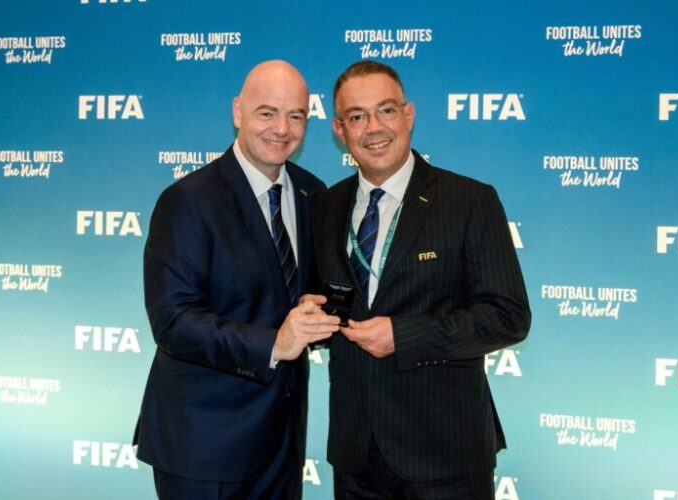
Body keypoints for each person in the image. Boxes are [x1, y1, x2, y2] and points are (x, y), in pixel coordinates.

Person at [312, 60, 531, 499]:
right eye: (357, 116)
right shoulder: (326, 206)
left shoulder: (469, 200)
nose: (374, 128)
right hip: (356, 455)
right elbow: (332, 303)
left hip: (444, 454)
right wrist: (311, 316)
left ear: (408, 115)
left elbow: (508, 316)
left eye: (386, 110)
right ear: (340, 129)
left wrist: (403, 336)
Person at [134, 60, 340, 500]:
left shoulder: (312, 192)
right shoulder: (188, 200)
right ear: (238, 111)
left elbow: (311, 295)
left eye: (296, 116)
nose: (282, 129)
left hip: (282, 445)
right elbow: (173, 321)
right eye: (267, 113)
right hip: (204, 445)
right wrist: (275, 344)